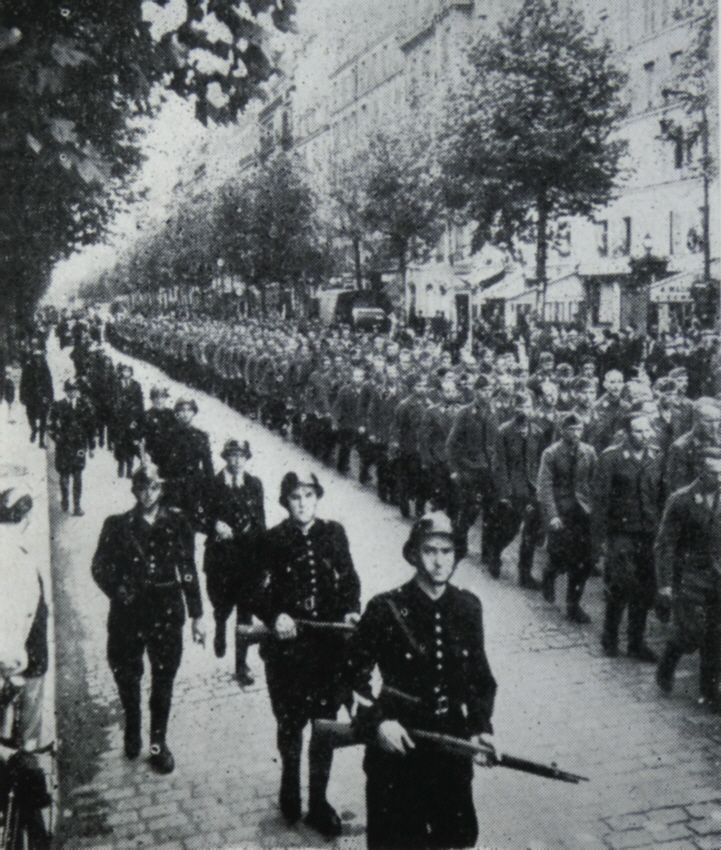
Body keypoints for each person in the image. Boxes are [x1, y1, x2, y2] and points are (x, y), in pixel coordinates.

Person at [349, 512, 497, 850]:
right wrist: (378, 722)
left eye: (447, 552)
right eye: (430, 551)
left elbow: (480, 679)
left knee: (454, 839)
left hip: (450, 746)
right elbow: (352, 676)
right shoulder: (385, 608)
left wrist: (480, 728)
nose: (439, 560)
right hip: (399, 747)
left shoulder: (468, 607)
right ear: (415, 554)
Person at [254, 470, 360, 837]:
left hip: (328, 648)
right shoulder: (272, 539)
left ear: (318, 498)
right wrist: (275, 614)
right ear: (286, 501)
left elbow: (349, 579)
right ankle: (289, 781)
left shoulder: (334, 533)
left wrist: (349, 609)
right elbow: (256, 590)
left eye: (309, 495)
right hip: (287, 651)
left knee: (323, 726)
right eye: (296, 497)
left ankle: (318, 801)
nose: (303, 503)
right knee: (290, 722)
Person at [91, 466, 205, 773]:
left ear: (162, 490)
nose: (148, 494)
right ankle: (132, 728)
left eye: (154, 488)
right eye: (142, 488)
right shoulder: (116, 525)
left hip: (167, 614)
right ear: (134, 491)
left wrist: (197, 615)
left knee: (163, 681)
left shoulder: (179, 523)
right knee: (127, 677)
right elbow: (99, 566)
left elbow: (189, 567)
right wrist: (118, 589)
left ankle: (158, 744)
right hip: (128, 616)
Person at [592, 414, 664, 661]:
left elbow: (661, 496)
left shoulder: (656, 457)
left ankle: (636, 642)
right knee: (621, 586)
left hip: (648, 532)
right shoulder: (611, 458)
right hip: (620, 533)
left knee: (646, 590)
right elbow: (600, 500)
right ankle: (609, 637)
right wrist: (599, 540)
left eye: (647, 431)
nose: (645, 436)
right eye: (638, 431)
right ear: (627, 433)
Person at [655, 446, 721, 710]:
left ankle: (708, 690)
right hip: (690, 576)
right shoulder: (681, 500)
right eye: (713, 473)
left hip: (718, 577)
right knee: (691, 632)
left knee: (717, 636)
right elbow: (665, 545)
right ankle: (667, 662)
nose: (719, 478)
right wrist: (666, 583)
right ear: (701, 472)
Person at [203, 439, 265, 686]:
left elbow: (261, 521)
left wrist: (265, 557)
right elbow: (197, 515)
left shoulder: (254, 484)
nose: (237, 461)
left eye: (242, 456)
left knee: (245, 613)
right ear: (225, 457)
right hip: (220, 558)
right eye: (232, 455)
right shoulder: (213, 484)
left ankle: (241, 665)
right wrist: (213, 524)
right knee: (222, 604)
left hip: (247, 558)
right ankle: (219, 625)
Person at [537, 412, 598, 623]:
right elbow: (544, 487)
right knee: (559, 555)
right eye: (571, 429)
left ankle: (573, 605)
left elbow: (595, 482)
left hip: (582, 513)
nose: (575, 433)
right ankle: (549, 575)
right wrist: (552, 515)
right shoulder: (551, 453)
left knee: (584, 560)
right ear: (562, 431)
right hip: (561, 512)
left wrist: (595, 510)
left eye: (579, 429)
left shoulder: (589, 452)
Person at [488, 392, 545, 588]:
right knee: (509, 530)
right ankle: (494, 554)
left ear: (533, 408)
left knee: (530, 532)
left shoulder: (537, 432)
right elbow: (499, 464)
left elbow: (539, 462)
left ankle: (525, 574)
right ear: (514, 408)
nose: (524, 411)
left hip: (532, 489)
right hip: (512, 488)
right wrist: (504, 492)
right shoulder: (503, 431)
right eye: (520, 407)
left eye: (528, 406)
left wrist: (541, 488)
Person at [163, 398, 214, 529]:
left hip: (192, 488)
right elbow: (160, 462)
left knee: (189, 528)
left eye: (188, 410)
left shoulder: (201, 436)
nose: (185, 413)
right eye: (181, 410)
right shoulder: (167, 434)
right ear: (176, 413)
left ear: (193, 413)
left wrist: (209, 492)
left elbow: (208, 467)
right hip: (171, 486)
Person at [49, 379, 95, 515]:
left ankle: (77, 506)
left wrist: (92, 447)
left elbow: (90, 428)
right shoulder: (58, 406)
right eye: (70, 390)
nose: (73, 393)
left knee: (78, 475)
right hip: (63, 446)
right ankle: (65, 500)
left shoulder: (85, 406)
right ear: (66, 391)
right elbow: (51, 426)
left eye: (75, 390)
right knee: (64, 475)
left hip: (79, 446)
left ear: (78, 391)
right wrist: (57, 438)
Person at [110, 363, 144, 479]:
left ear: (131, 373)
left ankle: (129, 467)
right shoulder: (115, 385)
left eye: (128, 371)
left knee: (130, 444)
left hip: (132, 419)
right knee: (119, 443)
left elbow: (140, 403)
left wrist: (138, 419)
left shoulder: (136, 385)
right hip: (119, 420)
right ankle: (120, 465)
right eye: (124, 371)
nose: (126, 373)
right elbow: (112, 400)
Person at [19, 345, 54, 449]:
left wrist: (50, 396)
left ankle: (41, 441)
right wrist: (23, 396)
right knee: (31, 416)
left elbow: (49, 383)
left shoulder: (45, 368)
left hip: (43, 398)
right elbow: (23, 384)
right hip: (31, 397)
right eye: (36, 357)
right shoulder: (28, 368)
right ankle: (34, 429)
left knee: (44, 420)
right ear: (33, 357)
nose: (38, 359)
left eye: (40, 357)